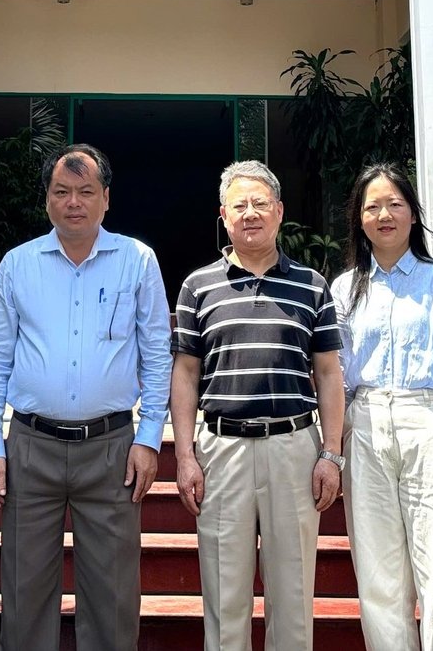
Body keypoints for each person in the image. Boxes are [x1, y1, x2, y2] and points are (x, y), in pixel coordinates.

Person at [0, 143, 172, 651]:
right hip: (30, 447)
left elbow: (157, 355)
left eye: (86, 192)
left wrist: (149, 437)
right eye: (62, 191)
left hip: (112, 448)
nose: (74, 202)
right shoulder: (18, 266)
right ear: (47, 200)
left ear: (107, 199)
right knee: (24, 590)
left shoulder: (137, 261)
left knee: (112, 594)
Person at [170, 160, 344, 651]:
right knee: (224, 596)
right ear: (223, 215)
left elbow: (329, 373)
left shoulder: (311, 285)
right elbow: (185, 373)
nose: (251, 214)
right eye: (239, 205)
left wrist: (332, 452)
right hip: (221, 449)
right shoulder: (198, 286)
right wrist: (185, 455)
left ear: (280, 211)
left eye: (260, 203)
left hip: (294, 448)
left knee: (293, 591)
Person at [330, 163, 433, 651]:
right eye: (372, 206)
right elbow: (333, 375)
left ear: (413, 215)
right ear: (359, 218)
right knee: (377, 572)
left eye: (394, 204)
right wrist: (331, 450)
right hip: (366, 421)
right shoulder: (342, 288)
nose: (384, 215)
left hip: (429, 419)